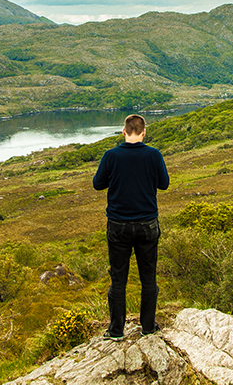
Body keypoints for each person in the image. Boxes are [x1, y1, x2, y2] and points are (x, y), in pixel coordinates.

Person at [93, 114, 169, 339]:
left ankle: (116, 330)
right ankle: (148, 327)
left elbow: (98, 184)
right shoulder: (154, 155)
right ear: (144, 133)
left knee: (118, 279)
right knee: (148, 278)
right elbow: (164, 184)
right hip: (147, 225)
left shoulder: (111, 156)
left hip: (118, 225)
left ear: (124, 132)